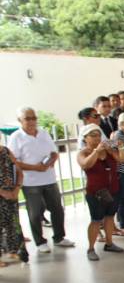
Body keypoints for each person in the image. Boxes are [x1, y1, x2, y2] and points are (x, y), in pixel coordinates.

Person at [7, 107, 75, 253]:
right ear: (20, 120)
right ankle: (40, 242)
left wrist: (50, 162)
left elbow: (54, 153)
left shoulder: (43, 133)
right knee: (35, 213)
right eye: (27, 118)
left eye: (34, 118)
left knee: (57, 209)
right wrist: (34, 167)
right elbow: (13, 161)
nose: (32, 121)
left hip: (49, 178)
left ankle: (59, 237)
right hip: (30, 181)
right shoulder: (16, 137)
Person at [77, 124, 124, 261]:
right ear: (85, 138)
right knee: (96, 219)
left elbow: (122, 159)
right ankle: (91, 248)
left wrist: (120, 147)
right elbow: (85, 164)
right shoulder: (83, 153)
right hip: (95, 192)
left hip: (113, 189)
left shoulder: (108, 150)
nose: (97, 138)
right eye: (93, 136)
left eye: (98, 135)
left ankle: (109, 243)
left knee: (110, 216)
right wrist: (96, 152)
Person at [0, 140, 26, 266]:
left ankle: (12, 250)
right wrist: (2, 192)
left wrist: (17, 188)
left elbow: (19, 171)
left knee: (12, 222)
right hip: (3, 194)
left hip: (11, 194)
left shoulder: (6, 151)